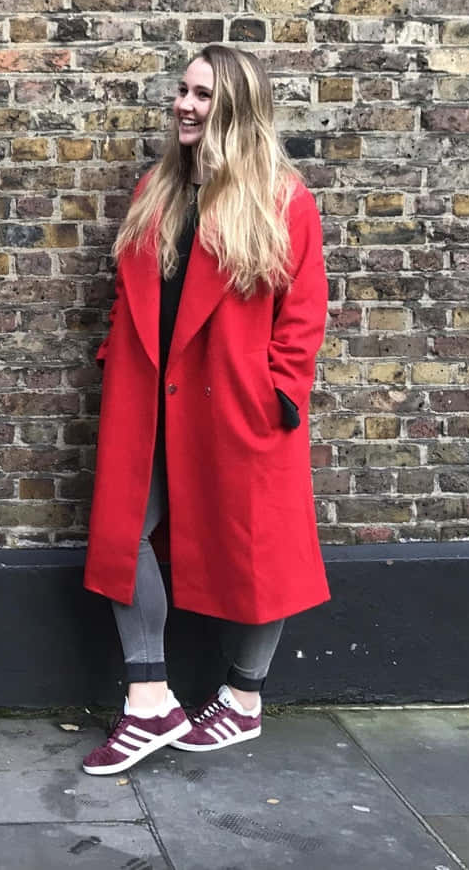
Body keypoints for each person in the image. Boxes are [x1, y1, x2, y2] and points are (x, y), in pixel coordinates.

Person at [81, 45, 329, 776]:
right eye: (182, 91)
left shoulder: (282, 199)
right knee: (123, 538)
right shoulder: (155, 189)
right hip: (150, 396)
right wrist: (114, 359)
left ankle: (244, 700)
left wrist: (277, 393)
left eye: (201, 95)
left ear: (235, 109)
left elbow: (304, 315)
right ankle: (149, 699)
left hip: (237, 404)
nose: (184, 105)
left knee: (260, 549)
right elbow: (136, 298)